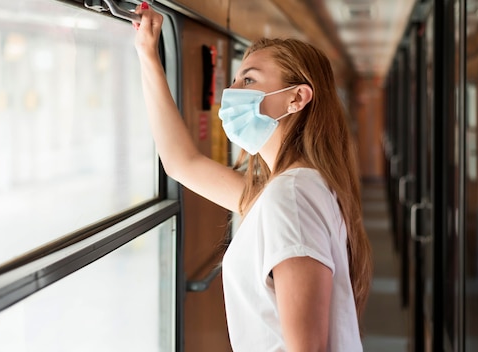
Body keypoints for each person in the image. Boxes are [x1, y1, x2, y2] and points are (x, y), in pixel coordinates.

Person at [133, 2, 372, 351]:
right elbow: (182, 163)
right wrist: (148, 55)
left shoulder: (290, 196)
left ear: (296, 98)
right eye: (235, 79)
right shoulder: (292, 187)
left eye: (249, 79)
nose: (233, 92)